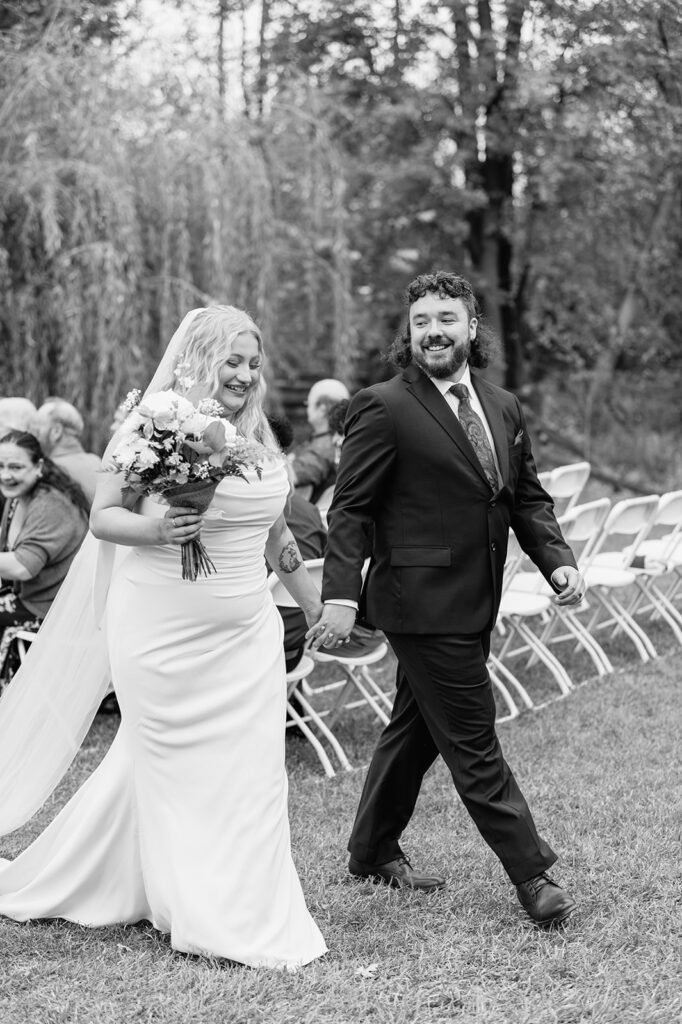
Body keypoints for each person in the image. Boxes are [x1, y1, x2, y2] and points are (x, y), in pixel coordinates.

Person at [0, 306, 327, 969]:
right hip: (160, 631)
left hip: (247, 634)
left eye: (252, 360)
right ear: (198, 359)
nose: (243, 372)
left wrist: (319, 609)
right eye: (231, 359)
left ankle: (236, 903)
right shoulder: (155, 424)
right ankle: (197, 906)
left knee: (252, 776)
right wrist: (158, 531)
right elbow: (104, 517)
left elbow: (277, 536)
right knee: (175, 768)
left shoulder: (256, 432)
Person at [309, 271, 585, 929]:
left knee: (416, 727)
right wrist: (341, 595)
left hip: (476, 596)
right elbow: (350, 507)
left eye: (445, 319)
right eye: (421, 322)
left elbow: (525, 498)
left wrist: (559, 563)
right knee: (472, 736)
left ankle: (371, 849)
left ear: (470, 327)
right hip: (417, 598)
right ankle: (533, 874)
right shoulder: (383, 405)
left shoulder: (504, 404)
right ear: (409, 334)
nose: (433, 331)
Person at [0, 431, 89, 642]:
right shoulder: (17, 497)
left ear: (38, 467)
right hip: (24, 597)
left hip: (51, 609)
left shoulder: (51, 503)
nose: (5, 475)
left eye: (15, 467)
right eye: (0, 466)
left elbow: (23, 567)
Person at [32, 399, 102, 507]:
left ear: (56, 431)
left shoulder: (50, 470)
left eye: (37, 430)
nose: (34, 436)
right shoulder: (97, 462)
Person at [290, 378, 350, 503]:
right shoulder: (332, 439)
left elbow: (292, 476)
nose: (307, 409)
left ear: (322, 408)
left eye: (308, 403)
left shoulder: (327, 445)